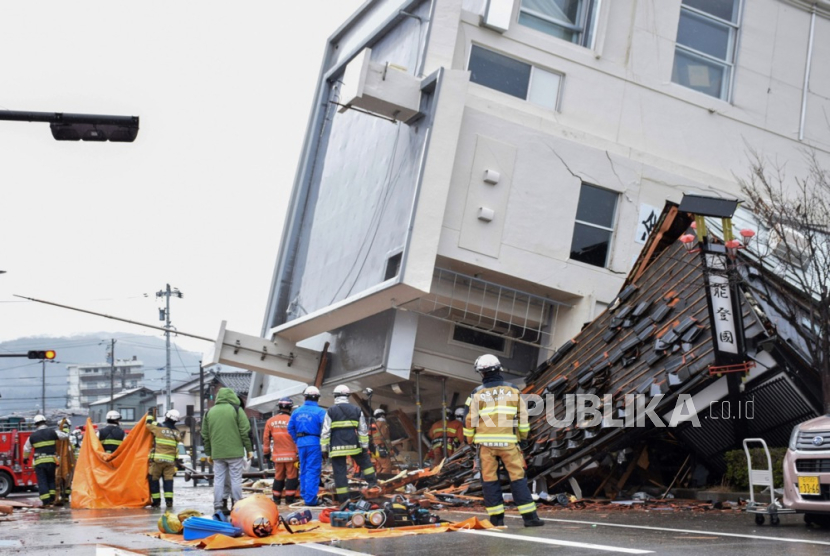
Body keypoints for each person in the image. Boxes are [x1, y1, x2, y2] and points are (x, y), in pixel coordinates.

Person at [464, 354, 544, 528]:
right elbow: (523, 418)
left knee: (490, 481)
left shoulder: (476, 393)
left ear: (481, 373)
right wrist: (523, 439)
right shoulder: (513, 390)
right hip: (508, 444)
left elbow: (469, 420)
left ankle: (497, 520)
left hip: (486, 446)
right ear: (499, 369)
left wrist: (470, 440)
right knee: (517, 479)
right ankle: (530, 518)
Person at [320, 385, 378, 503]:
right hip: (354, 445)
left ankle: (344, 499)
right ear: (347, 396)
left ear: (335, 396)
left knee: (339, 473)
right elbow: (362, 429)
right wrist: (364, 445)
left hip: (337, 447)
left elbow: (326, 431)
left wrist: (324, 448)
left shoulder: (331, 411)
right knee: (365, 463)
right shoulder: (356, 410)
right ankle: (373, 483)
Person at [202, 387, 252, 513]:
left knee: (218, 479)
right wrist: (249, 448)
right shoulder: (236, 410)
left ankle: (218, 505)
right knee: (236, 479)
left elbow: (205, 434)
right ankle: (237, 505)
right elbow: (244, 431)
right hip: (235, 452)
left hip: (217, 453)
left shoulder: (209, 412)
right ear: (231, 397)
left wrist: (208, 453)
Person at [288, 386, 326, 506]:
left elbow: (290, 428)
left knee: (303, 469)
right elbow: (325, 430)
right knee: (313, 470)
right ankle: (310, 499)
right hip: (314, 442)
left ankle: (305, 495)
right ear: (318, 398)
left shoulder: (297, 412)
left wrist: (297, 440)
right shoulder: (320, 412)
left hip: (301, 443)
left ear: (305, 397)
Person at [23, 415, 70, 507]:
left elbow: (26, 448)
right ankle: (52, 499)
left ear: (36, 424)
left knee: (42, 481)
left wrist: (25, 458)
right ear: (45, 422)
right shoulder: (52, 432)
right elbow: (65, 436)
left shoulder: (32, 436)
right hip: (51, 461)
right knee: (51, 480)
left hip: (39, 462)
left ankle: (46, 501)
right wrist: (65, 428)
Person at [263, 397, 298, 505]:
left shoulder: (270, 421)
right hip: (291, 455)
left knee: (278, 476)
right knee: (292, 477)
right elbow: (297, 437)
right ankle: (289, 499)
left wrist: (266, 453)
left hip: (277, 456)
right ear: (290, 407)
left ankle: (276, 499)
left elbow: (266, 438)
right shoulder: (293, 420)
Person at [146, 409, 184, 507]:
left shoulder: (158, 427)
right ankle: (169, 501)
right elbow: (177, 445)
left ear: (166, 416)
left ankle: (156, 501)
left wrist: (150, 414)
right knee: (168, 481)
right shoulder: (177, 432)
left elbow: (148, 423)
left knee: (154, 480)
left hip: (157, 461)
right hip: (170, 461)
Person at [370, 408, 393, 474]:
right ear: (382, 415)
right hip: (381, 448)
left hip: (374, 449)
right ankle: (384, 482)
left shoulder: (373, 425)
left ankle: (378, 481)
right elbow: (385, 437)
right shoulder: (383, 424)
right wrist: (390, 448)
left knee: (379, 467)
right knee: (387, 467)